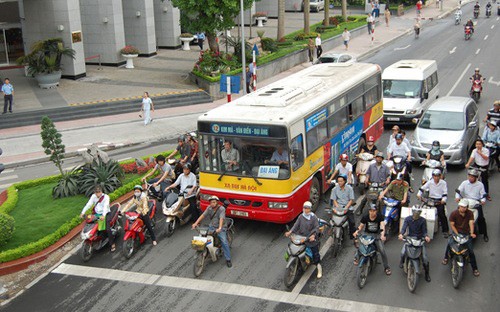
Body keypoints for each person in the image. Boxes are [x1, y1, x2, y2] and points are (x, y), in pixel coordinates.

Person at [192, 195, 232, 267]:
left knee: (224, 242)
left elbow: (221, 219)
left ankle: (228, 259)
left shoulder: (221, 209)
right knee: (204, 238)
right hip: (212, 226)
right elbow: (203, 215)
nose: (212, 204)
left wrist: (219, 228)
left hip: (221, 227)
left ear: (217, 202)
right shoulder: (209, 208)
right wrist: (195, 223)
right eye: (211, 202)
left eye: (214, 202)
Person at [442, 199, 479, 277]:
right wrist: (457, 234)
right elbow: (452, 225)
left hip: (466, 234)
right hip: (457, 233)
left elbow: (471, 223)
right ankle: (446, 258)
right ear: (459, 207)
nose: (463, 209)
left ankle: (475, 269)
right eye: (461, 207)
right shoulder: (454, 214)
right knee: (449, 244)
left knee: (471, 251)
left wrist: (472, 233)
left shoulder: (470, 213)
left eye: (464, 207)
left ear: (467, 207)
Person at [285, 201, 322, 278]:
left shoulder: (313, 217)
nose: (306, 210)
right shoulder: (301, 217)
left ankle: (319, 268)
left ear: (310, 209)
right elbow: (296, 225)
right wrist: (290, 232)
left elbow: (316, 228)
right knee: (292, 246)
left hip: (310, 238)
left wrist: (313, 236)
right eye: (305, 208)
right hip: (301, 237)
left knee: (315, 253)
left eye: (308, 208)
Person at [353, 204, 391, 275]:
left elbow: (382, 226)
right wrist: (356, 231)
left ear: (376, 211)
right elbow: (361, 226)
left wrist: (382, 235)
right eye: (370, 211)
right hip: (367, 234)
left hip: (376, 235)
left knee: (382, 251)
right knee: (360, 245)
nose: (372, 212)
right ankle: (356, 257)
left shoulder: (379, 217)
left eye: (374, 211)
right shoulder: (365, 217)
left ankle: (386, 267)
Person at [399, 206, 431, 282]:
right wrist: (401, 234)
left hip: (419, 239)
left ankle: (427, 273)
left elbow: (424, 231)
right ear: (412, 212)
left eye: (418, 212)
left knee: (425, 258)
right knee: (402, 253)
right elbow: (404, 228)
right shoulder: (408, 219)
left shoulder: (423, 220)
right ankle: (402, 261)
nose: (416, 214)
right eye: (415, 212)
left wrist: (426, 236)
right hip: (410, 238)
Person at [455, 168, 488, 241]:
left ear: (476, 177)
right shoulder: (464, 183)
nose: (470, 178)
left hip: (475, 203)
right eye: (469, 176)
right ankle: (456, 232)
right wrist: (457, 198)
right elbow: (458, 191)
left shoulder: (480, 185)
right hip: (466, 202)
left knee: (481, 218)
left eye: (472, 177)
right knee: (457, 215)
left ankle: (484, 234)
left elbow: (483, 194)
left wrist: (483, 200)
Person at [80, 186, 116, 252]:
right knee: (90, 224)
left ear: (101, 192)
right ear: (95, 193)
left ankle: (112, 244)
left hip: (105, 214)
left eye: (99, 192)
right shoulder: (93, 196)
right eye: (96, 193)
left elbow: (105, 206)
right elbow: (89, 204)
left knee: (107, 229)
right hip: (96, 214)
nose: (98, 194)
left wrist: (103, 215)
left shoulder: (106, 197)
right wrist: (83, 212)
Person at [417, 169, 449, 238]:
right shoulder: (430, 182)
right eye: (434, 176)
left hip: (439, 200)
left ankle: (445, 230)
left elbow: (445, 193)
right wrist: (419, 194)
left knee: (441, 214)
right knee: (422, 211)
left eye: (437, 176)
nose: (436, 178)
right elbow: (422, 188)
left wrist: (443, 200)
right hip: (430, 199)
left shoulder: (443, 183)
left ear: (440, 176)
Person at [330, 175, 356, 239]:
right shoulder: (334, 189)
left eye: (341, 181)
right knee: (332, 220)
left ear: (344, 181)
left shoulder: (349, 189)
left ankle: (353, 236)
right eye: (338, 181)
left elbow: (351, 200)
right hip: (338, 207)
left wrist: (346, 207)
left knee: (352, 222)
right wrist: (338, 207)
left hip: (347, 207)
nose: (339, 183)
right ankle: (331, 231)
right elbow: (334, 200)